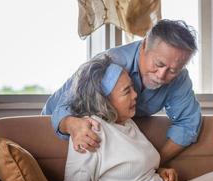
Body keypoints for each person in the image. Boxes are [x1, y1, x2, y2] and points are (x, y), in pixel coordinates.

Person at [63, 56, 213, 181]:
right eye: (127, 91)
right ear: (104, 101)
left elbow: (127, 167)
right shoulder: (90, 129)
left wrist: (160, 171)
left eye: (133, 87)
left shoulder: (125, 122)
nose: (136, 95)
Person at [42, 19, 201, 163]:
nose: (162, 76)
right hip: (55, 125)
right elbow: (62, 108)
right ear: (144, 45)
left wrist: (153, 163)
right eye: (158, 64)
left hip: (114, 134)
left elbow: (188, 124)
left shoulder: (180, 79)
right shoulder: (109, 62)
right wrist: (71, 124)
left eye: (173, 70)